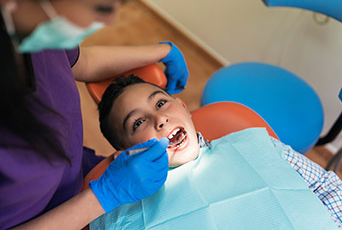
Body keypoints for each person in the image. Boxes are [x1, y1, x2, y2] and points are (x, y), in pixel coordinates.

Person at [0, 0, 190, 229]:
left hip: (78, 176)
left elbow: (81, 61)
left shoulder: (34, 31)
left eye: (122, 1)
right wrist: (103, 196)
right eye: (102, 5)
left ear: (183, 106)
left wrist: (162, 51)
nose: (112, 20)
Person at [96, 74, 342, 228]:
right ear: (126, 153)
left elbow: (328, 187)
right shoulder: (121, 215)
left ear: (182, 107)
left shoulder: (258, 145)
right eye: (138, 123)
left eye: (161, 103)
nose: (160, 119)